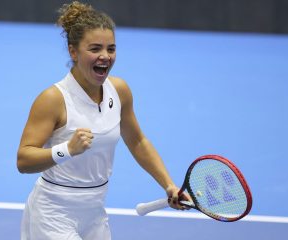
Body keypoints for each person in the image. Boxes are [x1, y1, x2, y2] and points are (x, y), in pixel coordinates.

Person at [17, 1, 191, 239]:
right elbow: (24, 160)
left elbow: (137, 141)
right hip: (53, 214)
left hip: (95, 213)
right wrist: (66, 150)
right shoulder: (53, 99)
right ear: (73, 51)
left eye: (111, 49)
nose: (105, 56)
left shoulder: (119, 91)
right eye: (95, 49)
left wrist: (169, 185)